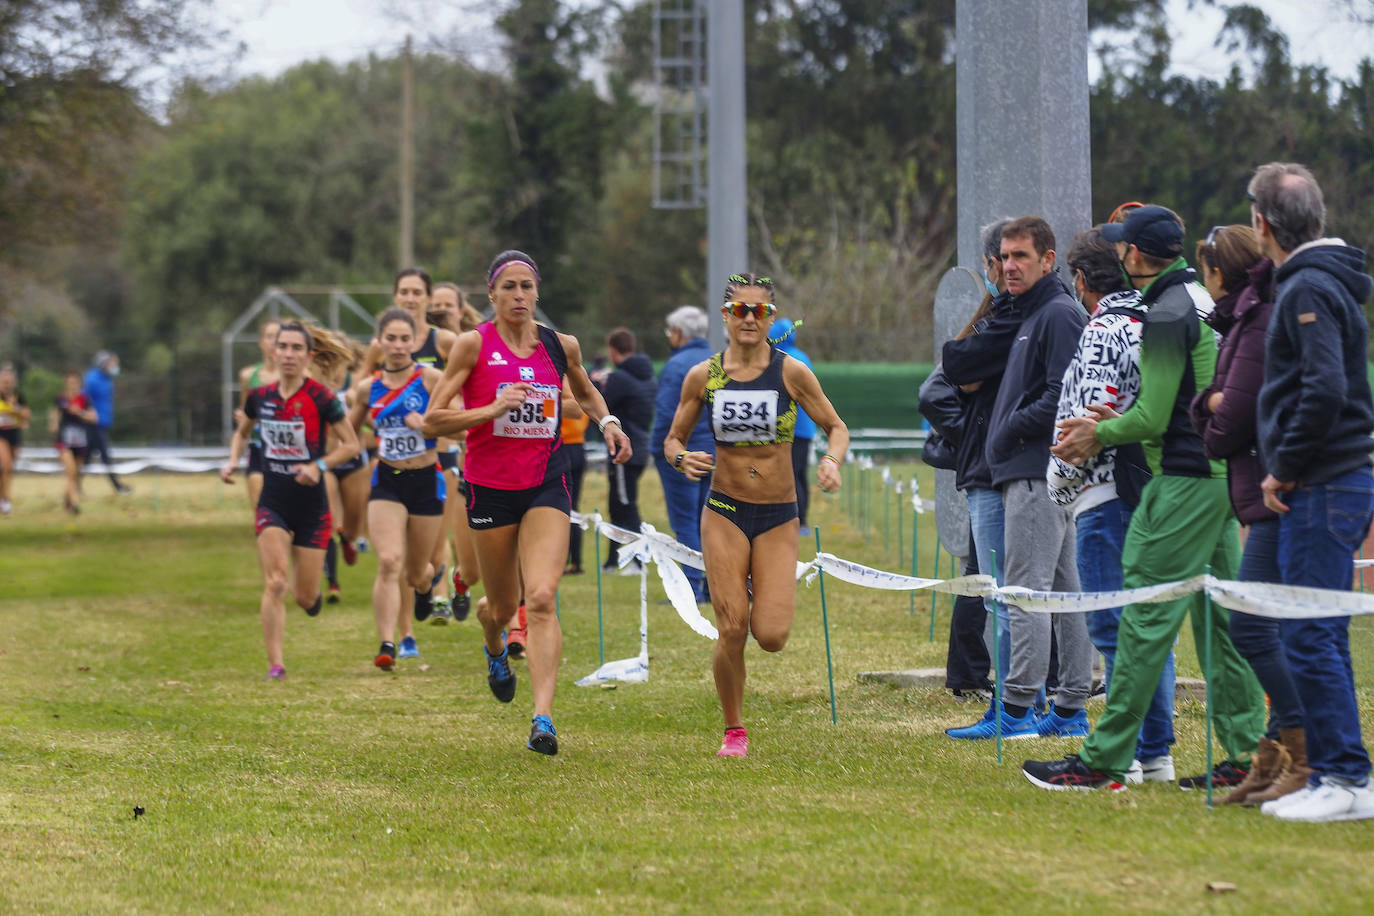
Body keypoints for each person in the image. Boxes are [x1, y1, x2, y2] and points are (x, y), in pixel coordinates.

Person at [1023, 204, 1266, 792]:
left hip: (1182, 483)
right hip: (1219, 480)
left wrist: (1097, 430)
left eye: (1121, 247)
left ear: (1132, 256)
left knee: (1140, 624)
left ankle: (1104, 761)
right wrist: (1124, 420)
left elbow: (1156, 416)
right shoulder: (1203, 301)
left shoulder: (1166, 312)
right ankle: (1245, 750)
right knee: (1219, 625)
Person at [422, 249, 631, 755]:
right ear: (491, 295)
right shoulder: (473, 347)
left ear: (537, 293)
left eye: (527, 286)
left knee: (539, 597)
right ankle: (494, 644)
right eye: (509, 287)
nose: (519, 295)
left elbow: (584, 392)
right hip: (490, 486)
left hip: (546, 481)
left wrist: (609, 424)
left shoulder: (560, 346)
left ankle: (543, 718)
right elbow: (433, 420)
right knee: (500, 606)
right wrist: (492, 408)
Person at [664, 272, 849, 758]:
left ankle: (750, 587)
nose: (749, 318)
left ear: (771, 318)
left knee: (770, 636)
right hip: (724, 510)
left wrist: (831, 461)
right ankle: (734, 729)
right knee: (732, 628)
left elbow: (836, 427)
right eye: (740, 310)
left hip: (777, 515)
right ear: (725, 316)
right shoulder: (704, 376)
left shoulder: (791, 372)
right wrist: (683, 459)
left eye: (760, 311)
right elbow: (672, 440)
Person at [1249, 163, 1374, 822]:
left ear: (1261, 224)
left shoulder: (1310, 287)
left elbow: (1324, 388)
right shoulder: (1317, 282)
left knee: (1308, 634)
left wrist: (1285, 466)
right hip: (1332, 478)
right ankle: (1341, 772)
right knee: (1315, 631)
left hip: (1326, 481)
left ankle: (1345, 778)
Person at [1047, 226, 1176, 783]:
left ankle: (1124, 755)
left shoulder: (1103, 330)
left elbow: (1086, 422)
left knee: (1113, 628)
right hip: (1150, 491)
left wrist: (1058, 483)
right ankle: (1156, 754)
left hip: (1105, 494)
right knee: (1147, 626)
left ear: (1080, 281)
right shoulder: (1154, 321)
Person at [1186, 223, 1303, 805]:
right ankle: (1275, 754)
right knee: (1266, 626)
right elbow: (1218, 405)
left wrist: (1208, 407)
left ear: (1217, 273)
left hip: (1273, 493)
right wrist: (1211, 405)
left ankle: (1299, 754)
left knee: (1257, 626)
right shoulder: (1240, 320)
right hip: (1255, 493)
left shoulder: (1254, 322)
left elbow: (1228, 417)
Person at [968, 216, 1093, 741]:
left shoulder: (1058, 314)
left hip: (1038, 472)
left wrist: (1008, 429)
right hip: (1032, 470)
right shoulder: (1028, 313)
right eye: (1005, 256)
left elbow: (1062, 395)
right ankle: (1068, 712)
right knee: (1063, 592)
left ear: (1049, 259)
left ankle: (1016, 708)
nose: (1010, 266)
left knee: (1026, 592)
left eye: (1022, 256)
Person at [221, 321, 360, 679]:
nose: (288, 354)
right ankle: (276, 664)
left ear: (309, 356)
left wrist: (319, 465)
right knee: (276, 582)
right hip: (273, 500)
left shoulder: (322, 399)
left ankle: (312, 597)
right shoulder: (260, 396)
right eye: (283, 346)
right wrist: (233, 460)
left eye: (297, 348)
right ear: (273, 351)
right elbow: (242, 432)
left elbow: (351, 446)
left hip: (312, 507)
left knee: (304, 596)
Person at [939, 217, 1020, 715]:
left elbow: (962, 369)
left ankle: (1019, 697)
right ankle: (980, 679)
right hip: (984, 466)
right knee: (987, 580)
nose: (1004, 270)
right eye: (1002, 261)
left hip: (1003, 466)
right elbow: (953, 371)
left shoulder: (1020, 317)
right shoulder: (998, 315)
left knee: (1006, 584)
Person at [365, 269, 460, 654]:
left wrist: (434, 426)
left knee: (427, 559)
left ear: (426, 297)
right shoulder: (380, 346)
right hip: (389, 469)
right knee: (391, 558)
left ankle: (432, 587)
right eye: (402, 291)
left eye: (416, 291)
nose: (409, 297)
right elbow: (363, 396)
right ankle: (400, 637)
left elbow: (463, 394)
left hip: (439, 460)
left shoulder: (445, 342)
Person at [348, 309, 447, 670]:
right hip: (387, 481)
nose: (399, 345)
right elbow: (347, 431)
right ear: (380, 342)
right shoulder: (367, 388)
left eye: (406, 338)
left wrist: (426, 427)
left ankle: (426, 589)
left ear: (415, 342)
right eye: (391, 338)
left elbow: (462, 426)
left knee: (418, 571)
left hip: (426, 481)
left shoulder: (432, 379)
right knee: (389, 561)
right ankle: (386, 643)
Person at [651, 305, 714, 603]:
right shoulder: (719, 362)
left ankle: (691, 586)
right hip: (717, 453)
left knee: (685, 521)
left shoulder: (676, 366)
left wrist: (660, 451)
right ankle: (716, 587)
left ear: (678, 333)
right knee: (716, 522)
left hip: (684, 455)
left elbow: (666, 417)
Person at [596, 328, 655, 573]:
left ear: (612, 350)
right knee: (618, 504)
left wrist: (598, 384)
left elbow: (601, 405)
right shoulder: (649, 377)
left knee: (625, 505)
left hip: (623, 450)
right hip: (642, 448)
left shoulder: (620, 378)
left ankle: (638, 561)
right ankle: (613, 561)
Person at [768, 318, 818, 535]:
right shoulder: (803, 357)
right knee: (800, 475)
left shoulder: (777, 359)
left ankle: (792, 520)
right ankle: (802, 521)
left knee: (788, 475)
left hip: (787, 428)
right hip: (805, 428)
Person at [238, 319, 282, 511]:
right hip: (258, 449)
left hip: (288, 453)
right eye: (269, 336)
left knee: (287, 516)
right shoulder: (248, 375)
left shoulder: (298, 375)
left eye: (278, 337)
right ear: (261, 341)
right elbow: (245, 414)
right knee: (263, 514)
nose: (273, 342)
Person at [82, 350, 131, 494]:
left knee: (87, 458)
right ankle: (117, 486)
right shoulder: (93, 379)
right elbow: (84, 398)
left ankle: (75, 484)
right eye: (112, 363)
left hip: (102, 422)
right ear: (103, 364)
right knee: (105, 456)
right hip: (94, 423)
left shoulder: (106, 379)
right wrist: (89, 413)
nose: (115, 366)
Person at [51, 371, 96, 515]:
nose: (72, 385)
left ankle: (67, 500)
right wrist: (54, 425)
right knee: (70, 472)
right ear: (66, 384)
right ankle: (75, 504)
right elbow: (55, 415)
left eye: (75, 382)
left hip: (80, 441)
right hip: (64, 442)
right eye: (70, 382)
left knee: (75, 474)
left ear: (79, 384)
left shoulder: (85, 399)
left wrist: (80, 413)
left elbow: (94, 418)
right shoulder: (61, 399)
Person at [0, 363, 31, 515]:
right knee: (6, 465)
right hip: (1, 435)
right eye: (4, 382)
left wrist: (14, 409)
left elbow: (26, 417)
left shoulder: (19, 397)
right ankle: (6, 499)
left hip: (14, 434)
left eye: (9, 382)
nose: (7, 385)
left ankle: (2, 497)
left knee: (9, 469)